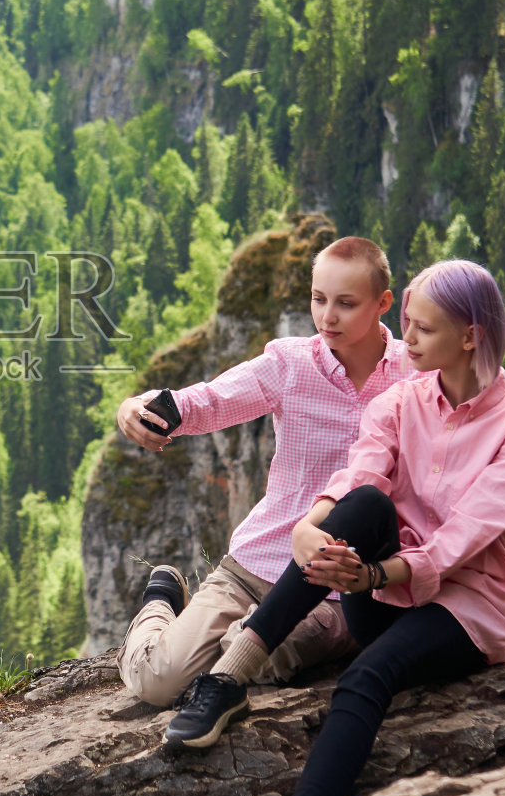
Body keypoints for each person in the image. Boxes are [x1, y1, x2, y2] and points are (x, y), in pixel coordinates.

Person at [168, 259, 505, 796]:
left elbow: (464, 537)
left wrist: (373, 575)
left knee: (367, 676)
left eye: (424, 328)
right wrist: (311, 525)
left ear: (471, 336)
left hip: (461, 610)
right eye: (407, 322)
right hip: (382, 596)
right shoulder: (400, 401)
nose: (407, 338)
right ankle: (229, 677)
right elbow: (361, 477)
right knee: (369, 502)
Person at [114, 236, 413, 718]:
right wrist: (138, 407)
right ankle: (161, 601)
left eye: (346, 303)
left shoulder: (415, 374)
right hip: (258, 561)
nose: (327, 317)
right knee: (157, 682)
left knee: (252, 655)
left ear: (383, 303)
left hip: (338, 584)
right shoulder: (290, 363)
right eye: (318, 299)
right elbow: (211, 400)